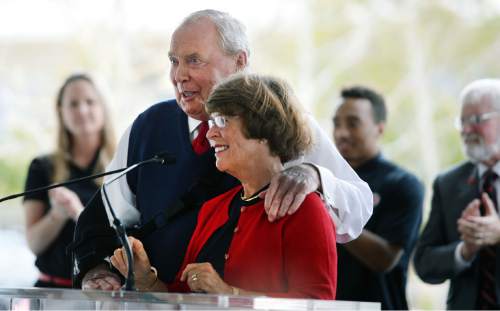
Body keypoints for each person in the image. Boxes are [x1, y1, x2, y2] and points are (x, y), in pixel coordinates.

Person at [73, 9, 371, 291]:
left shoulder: (281, 120)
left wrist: (314, 174)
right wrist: (97, 270)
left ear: (240, 62)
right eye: (174, 61)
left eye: (194, 61)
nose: (179, 75)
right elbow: (100, 222)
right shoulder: (148, 126)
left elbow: (358, 207)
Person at [110, 74, 337, 299]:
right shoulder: (213, 209)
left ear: (265, 128)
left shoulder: (306, 209)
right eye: (211, 122)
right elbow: (182, 299)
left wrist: (229, 294)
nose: (210, 133)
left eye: (222, 121)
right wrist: (145, 279)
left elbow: (318, 303)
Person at [332, 86, 423, 309]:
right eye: (337, 124)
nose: (342, 132)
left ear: (379, 129)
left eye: (353, 123)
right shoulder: (325, 179)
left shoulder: (403, 184)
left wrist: (331, 216)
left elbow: (385, 258)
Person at [414, 79, 500, 310]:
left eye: (476, 120)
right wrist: (465, 250)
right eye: (461, 121)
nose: (466, 130)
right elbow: (423, 263)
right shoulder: (448, 183)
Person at [23, 74, 115, 288]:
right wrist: (57, 215)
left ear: (103, 107)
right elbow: (34, 244)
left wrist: (78, 213)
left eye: (90, 102)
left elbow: (127, 242)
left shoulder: (120, 166)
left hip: (103, 295)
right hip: (50, 293)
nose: (82, 110)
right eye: (73, 104)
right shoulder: (42, 167)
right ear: (61, 112)